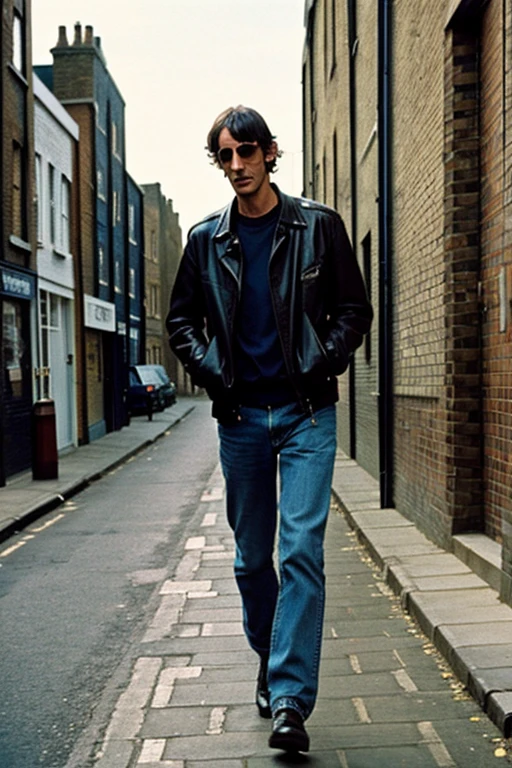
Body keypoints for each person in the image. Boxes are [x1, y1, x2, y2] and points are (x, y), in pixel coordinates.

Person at [166, 105, 372, 754]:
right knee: (253, 560)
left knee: (300, 551)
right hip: (241, 420)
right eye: (224, 156)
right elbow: (181, 324)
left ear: (270, 152)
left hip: (307, 414)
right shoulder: (205, 241)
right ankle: (269, 652)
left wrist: (321, 359)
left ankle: (288, 699)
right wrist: (215, 375)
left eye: (246, 152)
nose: (236, 167)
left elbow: (353, 310)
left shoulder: (318, 227)